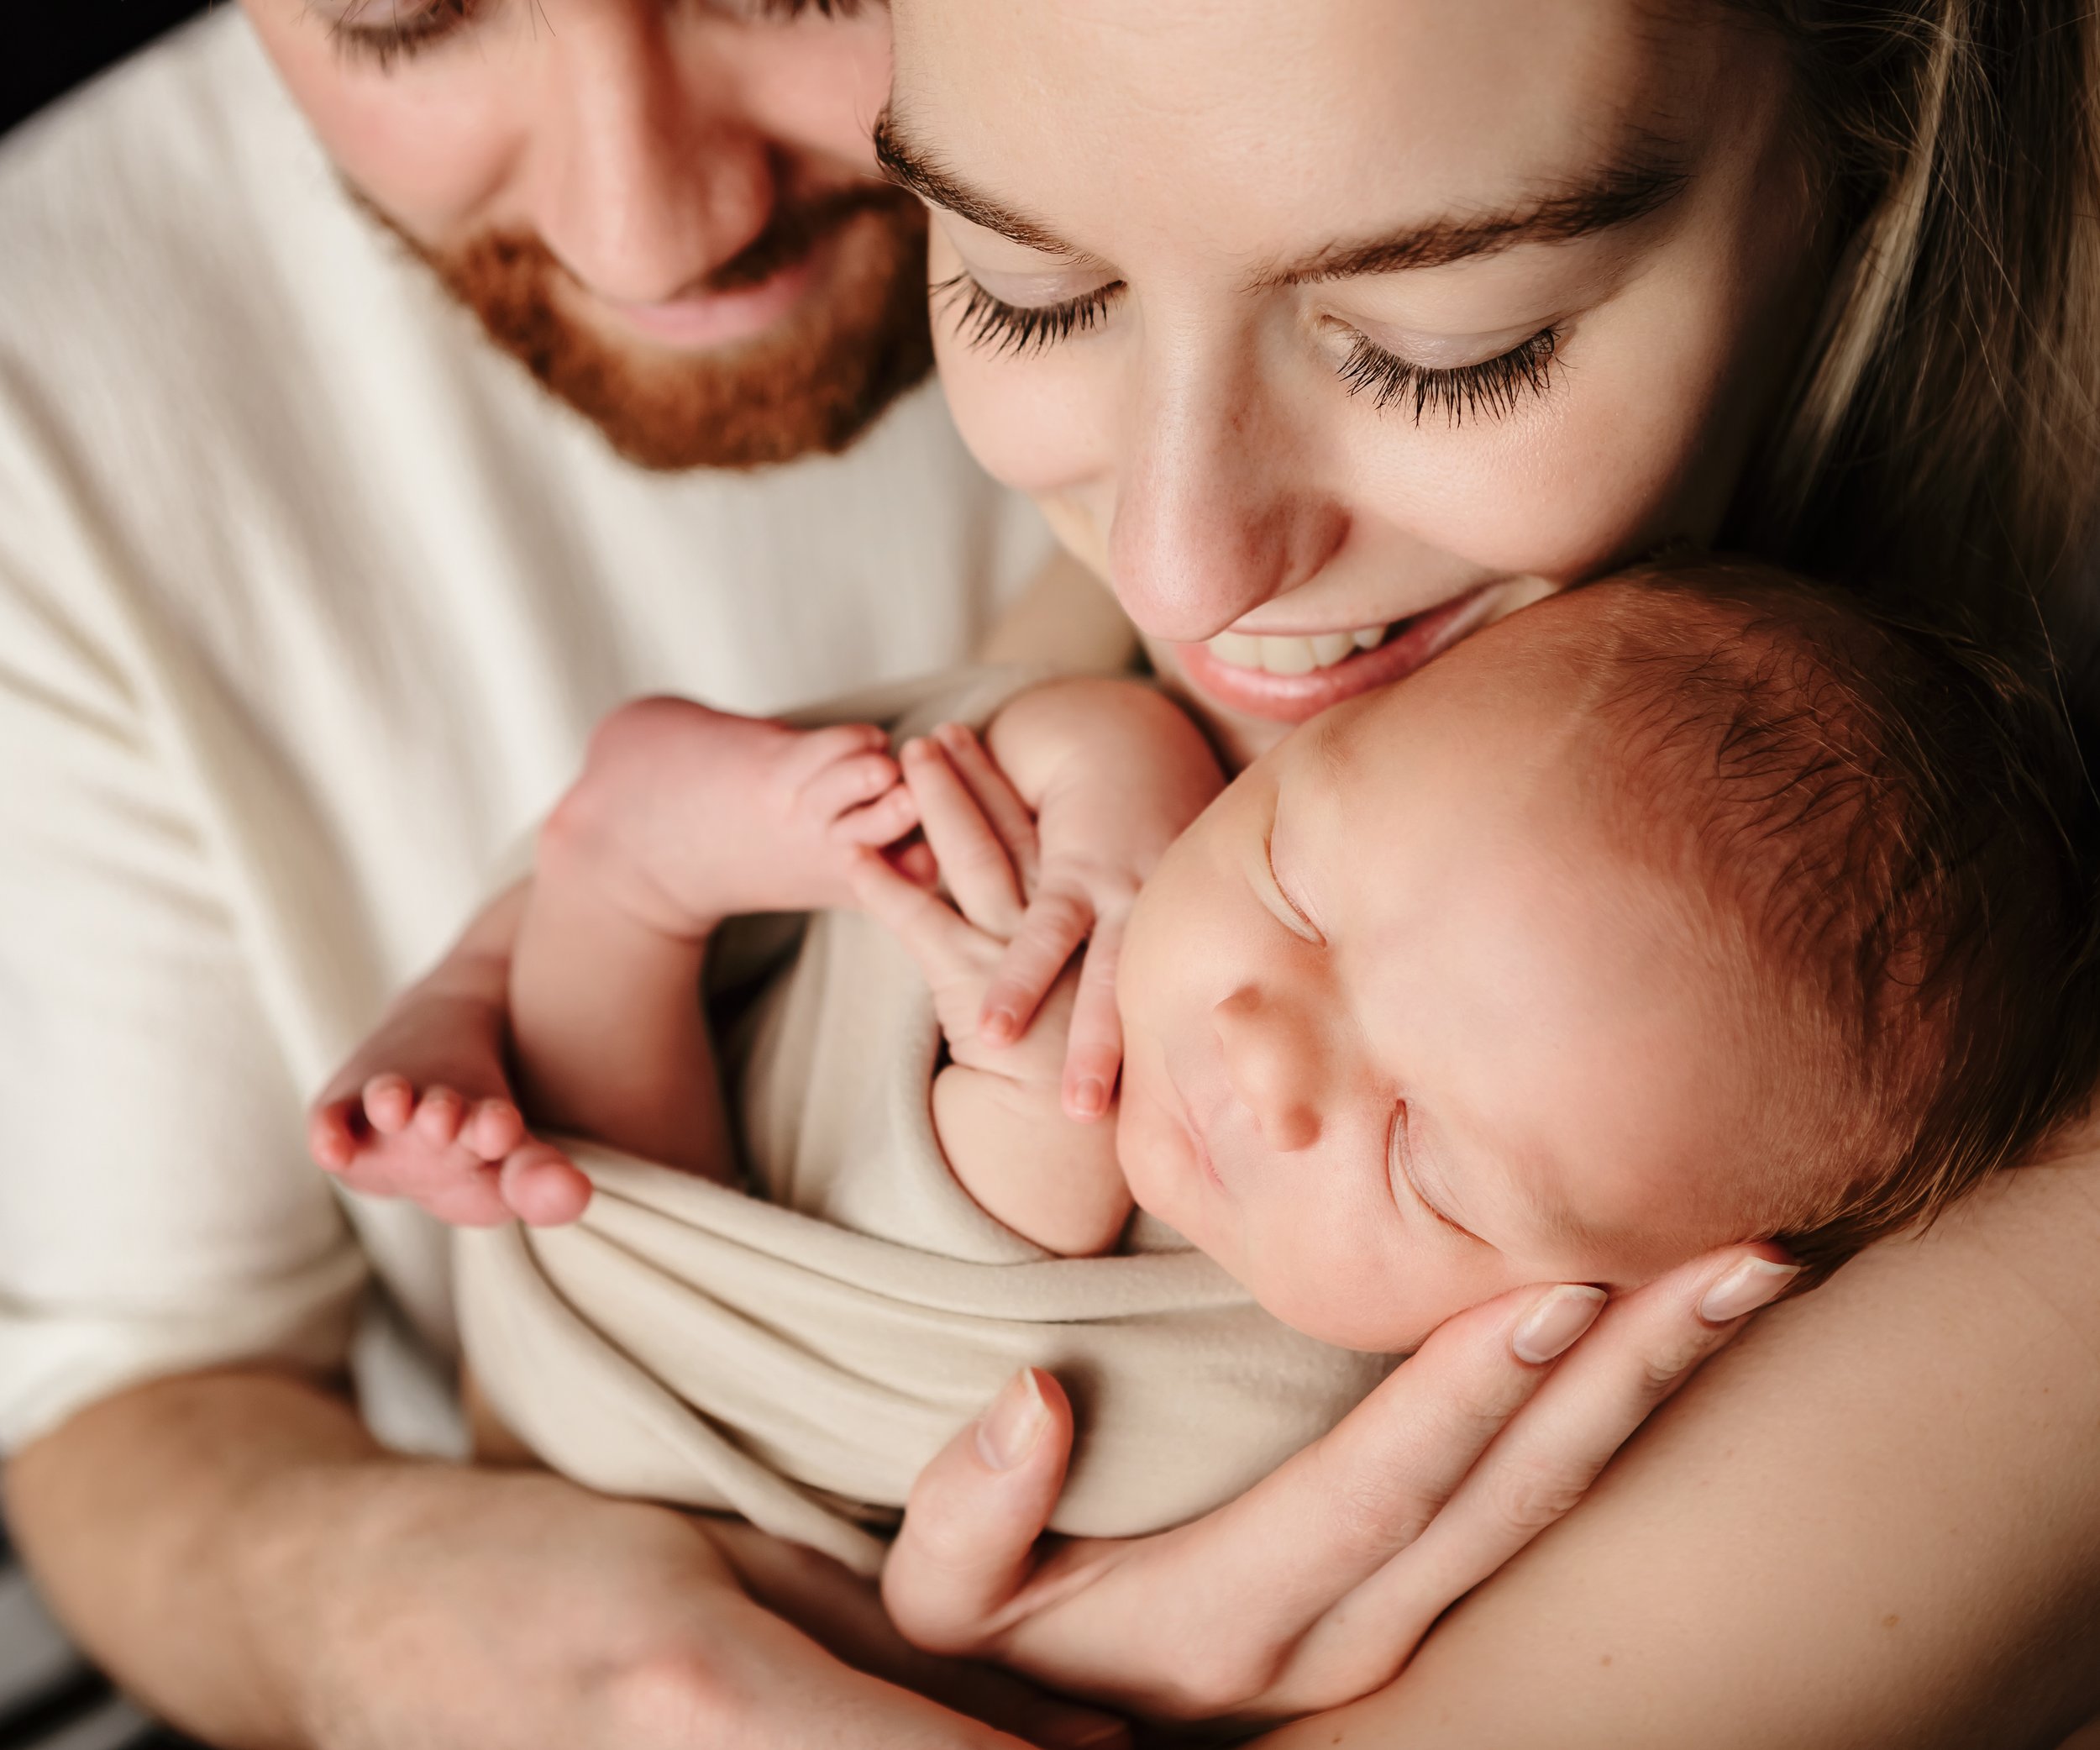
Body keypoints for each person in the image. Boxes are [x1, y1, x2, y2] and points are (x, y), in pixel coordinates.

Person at [0, 5, 1777, 1750]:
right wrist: (403, 1621)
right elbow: (132, 1375)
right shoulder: (57, 358)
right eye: (405, 17)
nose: (653, 224)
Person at [843, 0, 2100, 1741]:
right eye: (1021, 288)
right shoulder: (1174, 626)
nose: (1178, 570)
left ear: (1879, 136)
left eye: (1450, 347)